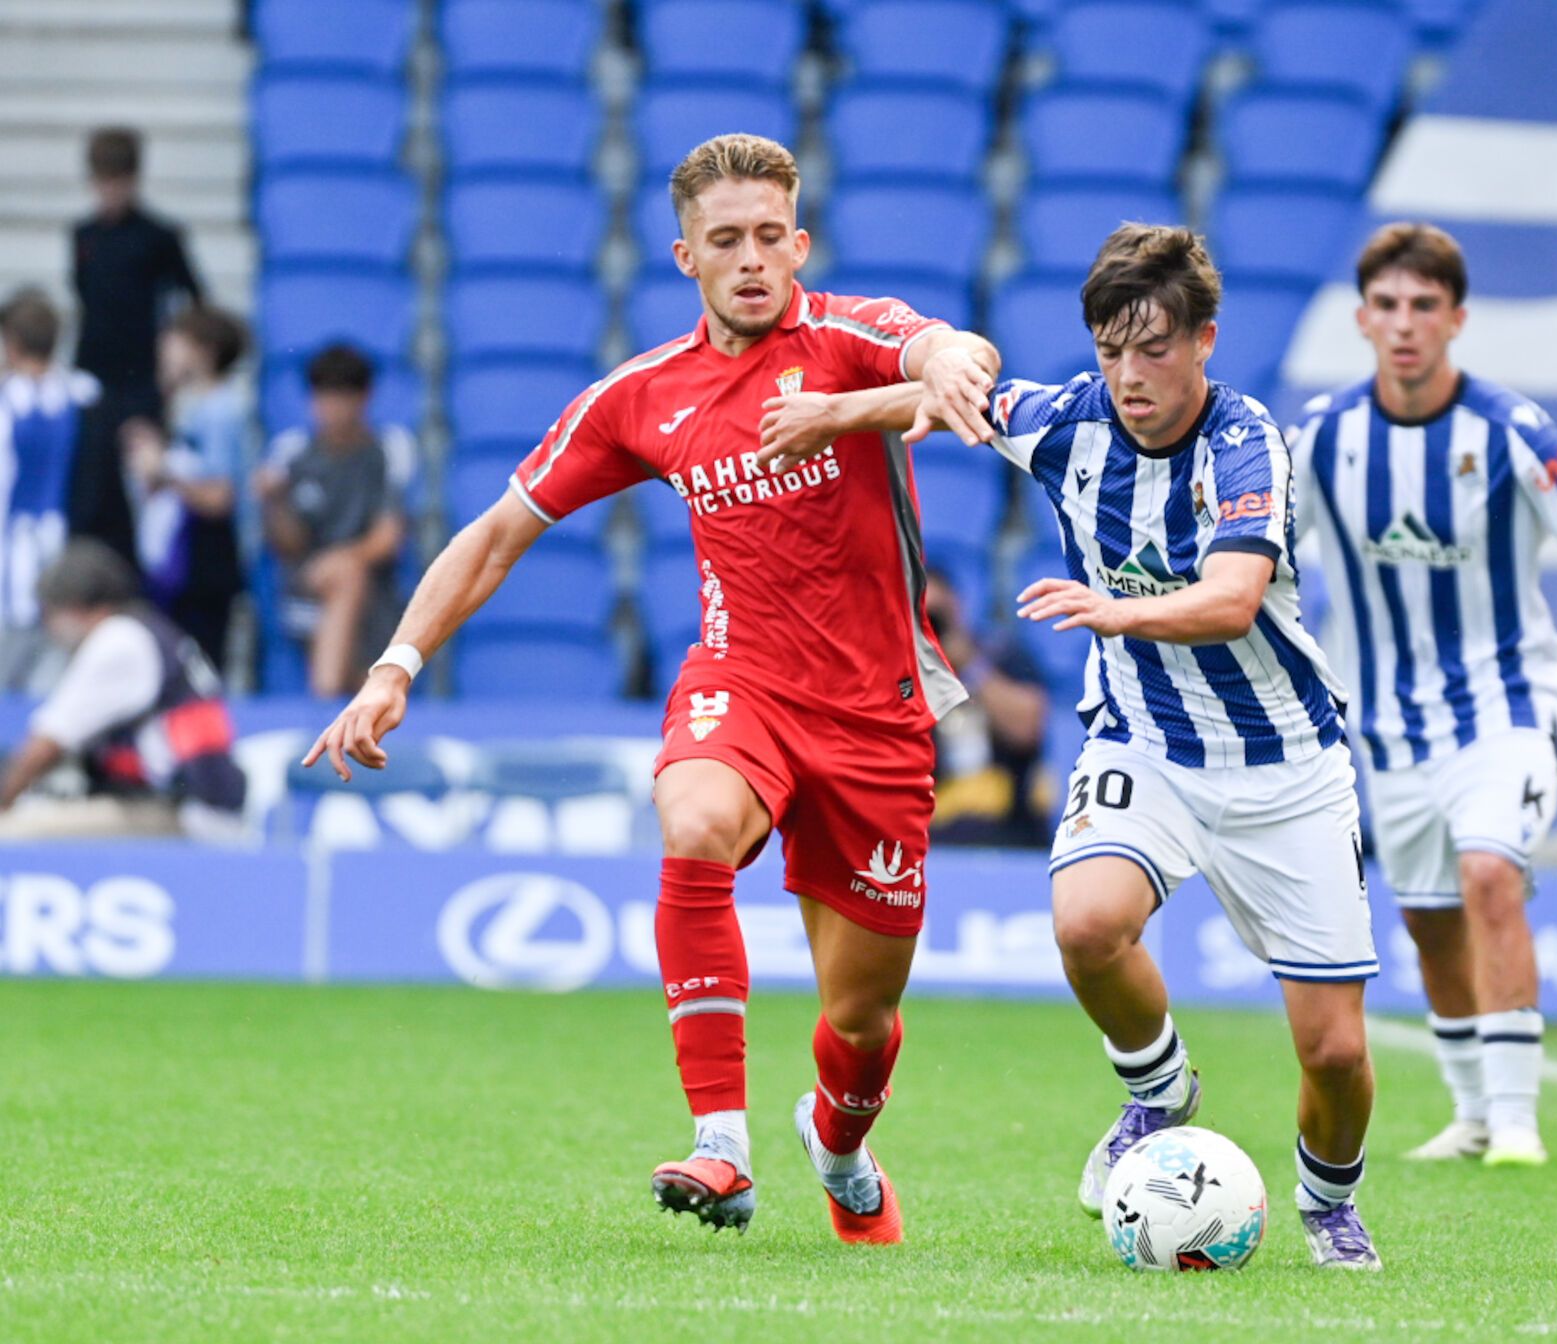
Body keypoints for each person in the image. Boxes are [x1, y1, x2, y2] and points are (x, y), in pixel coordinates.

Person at [301, 134, 1000, 1244]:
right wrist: (394, 668)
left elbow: (944, 350)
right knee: (693, 824)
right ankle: (720, 1142)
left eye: (770, 236)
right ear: (685, 257)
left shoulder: (849, 336)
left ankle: (839, 1145)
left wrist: (954, 363)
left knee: (859, 1023)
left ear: (800, 242)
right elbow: (494, 536)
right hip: (744, 684)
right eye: (726, 240)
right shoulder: (640, 397)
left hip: (877, 716)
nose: (752, 258)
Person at [786, 224, 1390, 1269]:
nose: (1127, 375)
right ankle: (1158, 1092)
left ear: (1203, 341)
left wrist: (1116, 614)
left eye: (1151, 349)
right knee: (1085, 920)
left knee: (1333, 1051)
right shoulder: (1070, 419)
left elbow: (1234, 597)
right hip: (1144, 742)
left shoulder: (1246, 443)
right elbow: (949, 402)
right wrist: (834, 412)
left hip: (1283, 763)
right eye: (1109, 350)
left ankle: (1327, 1203)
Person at [1293, 222, 1557, 1167]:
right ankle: (1475, 1111)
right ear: (1363, 319)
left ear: (1458, 319)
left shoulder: (1510, 430)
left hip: (1506, 706)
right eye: (1389, 306)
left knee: (1490, 872)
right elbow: (1261, 558)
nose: (1405, 325)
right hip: (1389, 726)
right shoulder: (1324, 438)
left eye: (1425, 307)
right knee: (1430, 915)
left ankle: (1519, 1119)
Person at [0, 539, 246, 842]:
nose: (50, 629)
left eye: (50, 614)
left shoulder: (119, 640)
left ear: (78, 608)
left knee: (12, 831)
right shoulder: (146, 628)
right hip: (193, 806)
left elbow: (46, 745)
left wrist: (4, 801)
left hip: (186, 815)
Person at [69, 127, 204, 564]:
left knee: (146, 491)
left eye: (118, 180)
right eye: (103, 181)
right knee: (92, 489)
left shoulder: (158, 237)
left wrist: (177, 365)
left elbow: (194, 299)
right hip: (92, 379)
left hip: (143, 382)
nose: (110, 192)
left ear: (134, 179)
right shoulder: (84, 236)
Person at [257, 344, 417, 698]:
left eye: (341, 398)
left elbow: (388, 538)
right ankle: (327, 697)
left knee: (350, 579)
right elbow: (289, 544)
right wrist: (275, 501)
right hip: (305, 586)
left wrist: (342, 560)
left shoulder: (389, 449)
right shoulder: (292, 453)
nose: (331, 410)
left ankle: (331, 699)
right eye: (323, 398)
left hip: (375, 590)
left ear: (365, 398)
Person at [122, 306, 249, 672]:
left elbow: (220, 497)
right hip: (180, 557)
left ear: (204, 351)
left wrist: (165, 473)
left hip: (204, 560)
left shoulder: (220, 411)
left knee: (199, 665)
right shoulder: (188, 406)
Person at [1, 289, 99, 690]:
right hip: (65, 549)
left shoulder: (9, 401)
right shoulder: (83, 393)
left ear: (11, 341)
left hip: (14, 551)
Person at [925, 564, 1053, 848]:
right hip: (931, 836)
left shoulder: (1002, 655)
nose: (932, 626)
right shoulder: (899, 672)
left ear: (957, 608)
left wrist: (970, 666)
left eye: (938, 616)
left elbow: (1028, 727)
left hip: (1010, 831)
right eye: (923, 617)